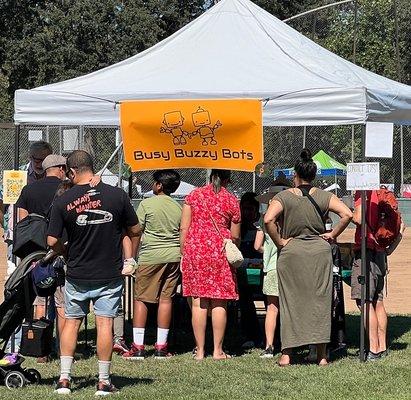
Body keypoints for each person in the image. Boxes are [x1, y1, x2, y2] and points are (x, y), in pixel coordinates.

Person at [47, 150, 140, 395]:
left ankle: (64, 379)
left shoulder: (63, 200)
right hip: (109, 272)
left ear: (73, 171)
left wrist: (63, 252)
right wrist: (130, 258)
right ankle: (103, 381)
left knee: (71, 323)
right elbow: (135, 228)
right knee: (104, 323)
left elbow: (51, 239)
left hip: (77, 272)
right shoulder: (117, 195)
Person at [264, 149, 352, 366]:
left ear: (295, 175)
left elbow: (268, 220)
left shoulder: (282, 196)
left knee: (289, 302)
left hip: (291, 253)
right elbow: (348, 215)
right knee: (320, 302)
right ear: (314, 176)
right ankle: (322, 355)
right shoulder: (324, 195)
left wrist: (280, 242)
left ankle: (287, 354)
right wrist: (332, 235)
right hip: (319, 253)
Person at [180, 169, 241, 360]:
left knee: (199, 302)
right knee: (219, 301)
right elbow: (236, 235)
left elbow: (184, 227)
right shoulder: (231, 200)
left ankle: (199, 351)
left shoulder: (194, 195)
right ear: (227, 180)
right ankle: (218, 350)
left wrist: (185, 251)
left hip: (195, 250)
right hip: (220, 251)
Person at [122, 170, 182, 360]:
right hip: (173, 257)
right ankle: (161, 347)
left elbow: (136, 231)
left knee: (141, 299)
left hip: (150, 257)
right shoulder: (179, 206)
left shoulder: (146, 204)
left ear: (159, 186)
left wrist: (133, 257)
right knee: (166, 299)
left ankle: (138, 346)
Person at [15, 154, 67, 362]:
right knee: (62, 301)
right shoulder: (66, 189)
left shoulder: (28, 190)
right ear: (61, 168)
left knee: (40, 299)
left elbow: (21, 221)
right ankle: (63, 348)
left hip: (36, 252)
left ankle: (40, 350)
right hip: (61, 248)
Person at [351, 189, 405, 361]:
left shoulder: (363, 192)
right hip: (381, 253)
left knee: (364, 301)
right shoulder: (384, 194)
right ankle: (381, 346)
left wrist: (350, 212)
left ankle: (373, 349)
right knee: (378, 301)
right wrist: (389, 249)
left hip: (366, 252)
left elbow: (358, 218)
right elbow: (401, 227)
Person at [237, 192, 263, 349]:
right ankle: (250, 335)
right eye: (245, 209)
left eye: (251, 209)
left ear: (257, 213)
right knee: (245, 301)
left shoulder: (260, 233)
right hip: (242, 278)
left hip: (260, 276)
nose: (248, 213)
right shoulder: (235, 234)